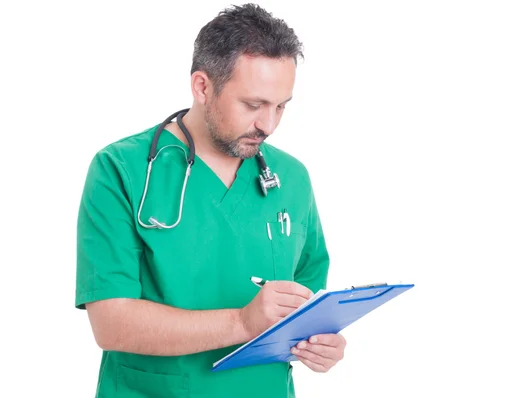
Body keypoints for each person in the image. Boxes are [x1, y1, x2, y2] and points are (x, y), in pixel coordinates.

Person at [75, 3, 346, 397]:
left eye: (281, 106)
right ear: (202, 86)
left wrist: (318, 344)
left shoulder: (292, 179)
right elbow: (110, 323)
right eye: (253, 105)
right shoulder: (121, 169)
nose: (268, 125)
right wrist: (242, 322)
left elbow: (306, 302)